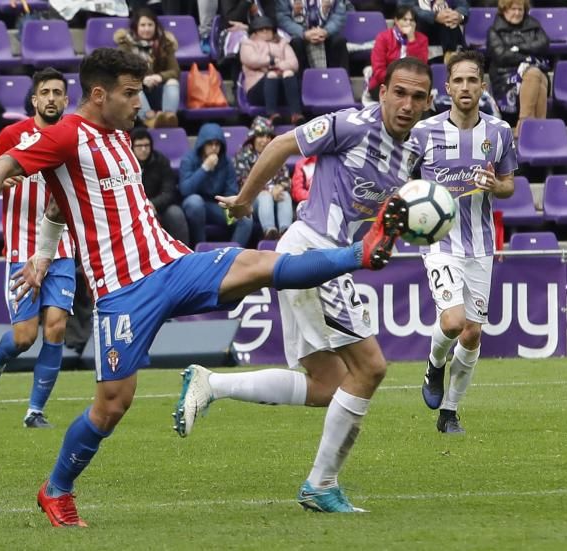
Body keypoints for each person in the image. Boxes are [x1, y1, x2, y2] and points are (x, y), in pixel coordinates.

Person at [0, 48, 407, 526]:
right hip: (124, 292)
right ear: (99, 94)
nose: (139, 102)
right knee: (112, 405)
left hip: (171, 263)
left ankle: (362, 253)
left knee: (259, 265)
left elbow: (61, 207)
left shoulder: (120, 136)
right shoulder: (65, 135)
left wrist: (44, 253)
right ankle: (56, 490)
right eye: (130, 93)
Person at [174, 56, 432, 513]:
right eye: (400, 93)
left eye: (417, 96)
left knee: (327, 386)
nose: (407, 104)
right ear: (383, 91)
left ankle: (211, 384)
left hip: (327, 257)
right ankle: (321, 483)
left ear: (427, 101)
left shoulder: (412, 150)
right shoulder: (351, 124)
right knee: (370, 369)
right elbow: (280, 145)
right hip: (312, 252)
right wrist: (244, 200)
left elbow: (387, 212)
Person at [412, 51, 516, 435]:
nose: (466, 87)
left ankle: (450, 411)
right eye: (458, 81)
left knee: (472, 332)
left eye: (473, 80)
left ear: (483, 86)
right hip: (439, 243)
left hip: (480, 244)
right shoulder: (423, 134)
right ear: (447, 88)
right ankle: (434, 364)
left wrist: (495, 185)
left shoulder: (498, 132)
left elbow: (509, 185)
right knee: (453, 321)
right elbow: (403, 184)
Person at [0, 67, 76, 429]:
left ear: (66, 99)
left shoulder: (74, 136)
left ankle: (35, 411)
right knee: (24, 335)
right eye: (45, 92)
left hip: (62, 247)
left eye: (57, 92)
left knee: (56, 327)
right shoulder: (12, 135)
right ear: (34, 99)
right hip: (21, 247)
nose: (51, 98)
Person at [179, 122, 254, 247]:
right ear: (202, 144)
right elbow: (185, 190)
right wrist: (205, 168)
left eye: (217, 144)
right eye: (210, 144)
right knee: (195, 202)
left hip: (218, 206)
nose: (214, 147)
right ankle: (201, 249)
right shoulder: (188, 159)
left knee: (246, 218)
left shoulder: (226, 162)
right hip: (195, 206)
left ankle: (231, 255)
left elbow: (231, 191)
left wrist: (230, 208)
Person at [486, 0, 549, 135]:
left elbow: (543, 44)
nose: (517, 13)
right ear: (504, 10)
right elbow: (501, 56)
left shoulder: (533, 26)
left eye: (520, 9)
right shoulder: (494, 30)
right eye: (513, 9)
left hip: (533, 72)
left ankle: (525, 126)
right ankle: (535, 128)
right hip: (505, 75)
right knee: (535, 74)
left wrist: (518, 48)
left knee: (536, 75)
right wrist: (527, 57)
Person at [114, 7, 180, 128]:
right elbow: (122, 72)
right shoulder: (125, 45)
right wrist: (142, 80)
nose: (147, 29)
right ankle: (148, 119)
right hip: (138, 91)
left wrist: (159, 77)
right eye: (143, 25)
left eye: (150, 25)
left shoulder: (165, 42)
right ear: (136, 26)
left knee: (173, 82)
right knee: (132, 85)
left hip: (158, 89)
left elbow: (175, 71)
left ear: (156, 26)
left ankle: (168, 117)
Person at [235, 116, 293, 240]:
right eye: (261, 136)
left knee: (285, 195)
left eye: (268, 137)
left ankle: (285, 233)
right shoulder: (243, 155)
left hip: (276, 197)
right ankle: (269, 232)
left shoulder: (277, 154)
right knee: (265, 195)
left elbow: (286, 179)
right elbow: (243, 183)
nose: (265, 140)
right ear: (253, 138)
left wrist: (280, 186)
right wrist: (269, 190)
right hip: (252, 201)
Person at [239, 16, 304, 125]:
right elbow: (251, 60)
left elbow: (294, 64)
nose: (265, 31)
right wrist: (271, 61)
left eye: (268, 29)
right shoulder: (248, 44)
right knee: (272, 75)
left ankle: (296, 114)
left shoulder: (283, 44)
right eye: (261, 29)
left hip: (282, 86)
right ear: (254, 32)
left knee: (289, 73)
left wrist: (278, 66)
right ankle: (272, 114)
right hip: (257, 89)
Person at [131, 127, 190, 244]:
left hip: (159, 207)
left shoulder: (161, 161)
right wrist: (142, 206)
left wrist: (153, 204)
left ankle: (184, 253)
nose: (143, 149)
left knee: (176, 213)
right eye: (139, 146)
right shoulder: (126, 164)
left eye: (146, 145)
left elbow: (169, 191)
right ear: (132, 147)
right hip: (134, 209)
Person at [366, 5, 428, 103]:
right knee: (400, 99)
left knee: (418, 102)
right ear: (396, 20)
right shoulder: (383, 38)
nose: (408, 23)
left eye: (411, 20)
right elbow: (378, 70)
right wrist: (398, 82)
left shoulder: (422, 39)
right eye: (404, 19)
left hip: (412, 84)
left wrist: (411, 40)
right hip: (383, 83)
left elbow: (420, 66)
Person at [276, 0, 350, 72]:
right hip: (299, 32)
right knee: (296, 43)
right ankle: (301, 81)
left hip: (325, 31)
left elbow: (339, 15)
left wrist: (326, 31)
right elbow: (283, 18)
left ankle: (339, 80)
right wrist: (303, 33)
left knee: (339, 41)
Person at [398, 0, 466, 61]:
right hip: (420, 27)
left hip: (449, 27)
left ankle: (452, 57)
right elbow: (406, 7)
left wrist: (459, 15)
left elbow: (463, 6)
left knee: (449, 22)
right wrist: (434, 16)